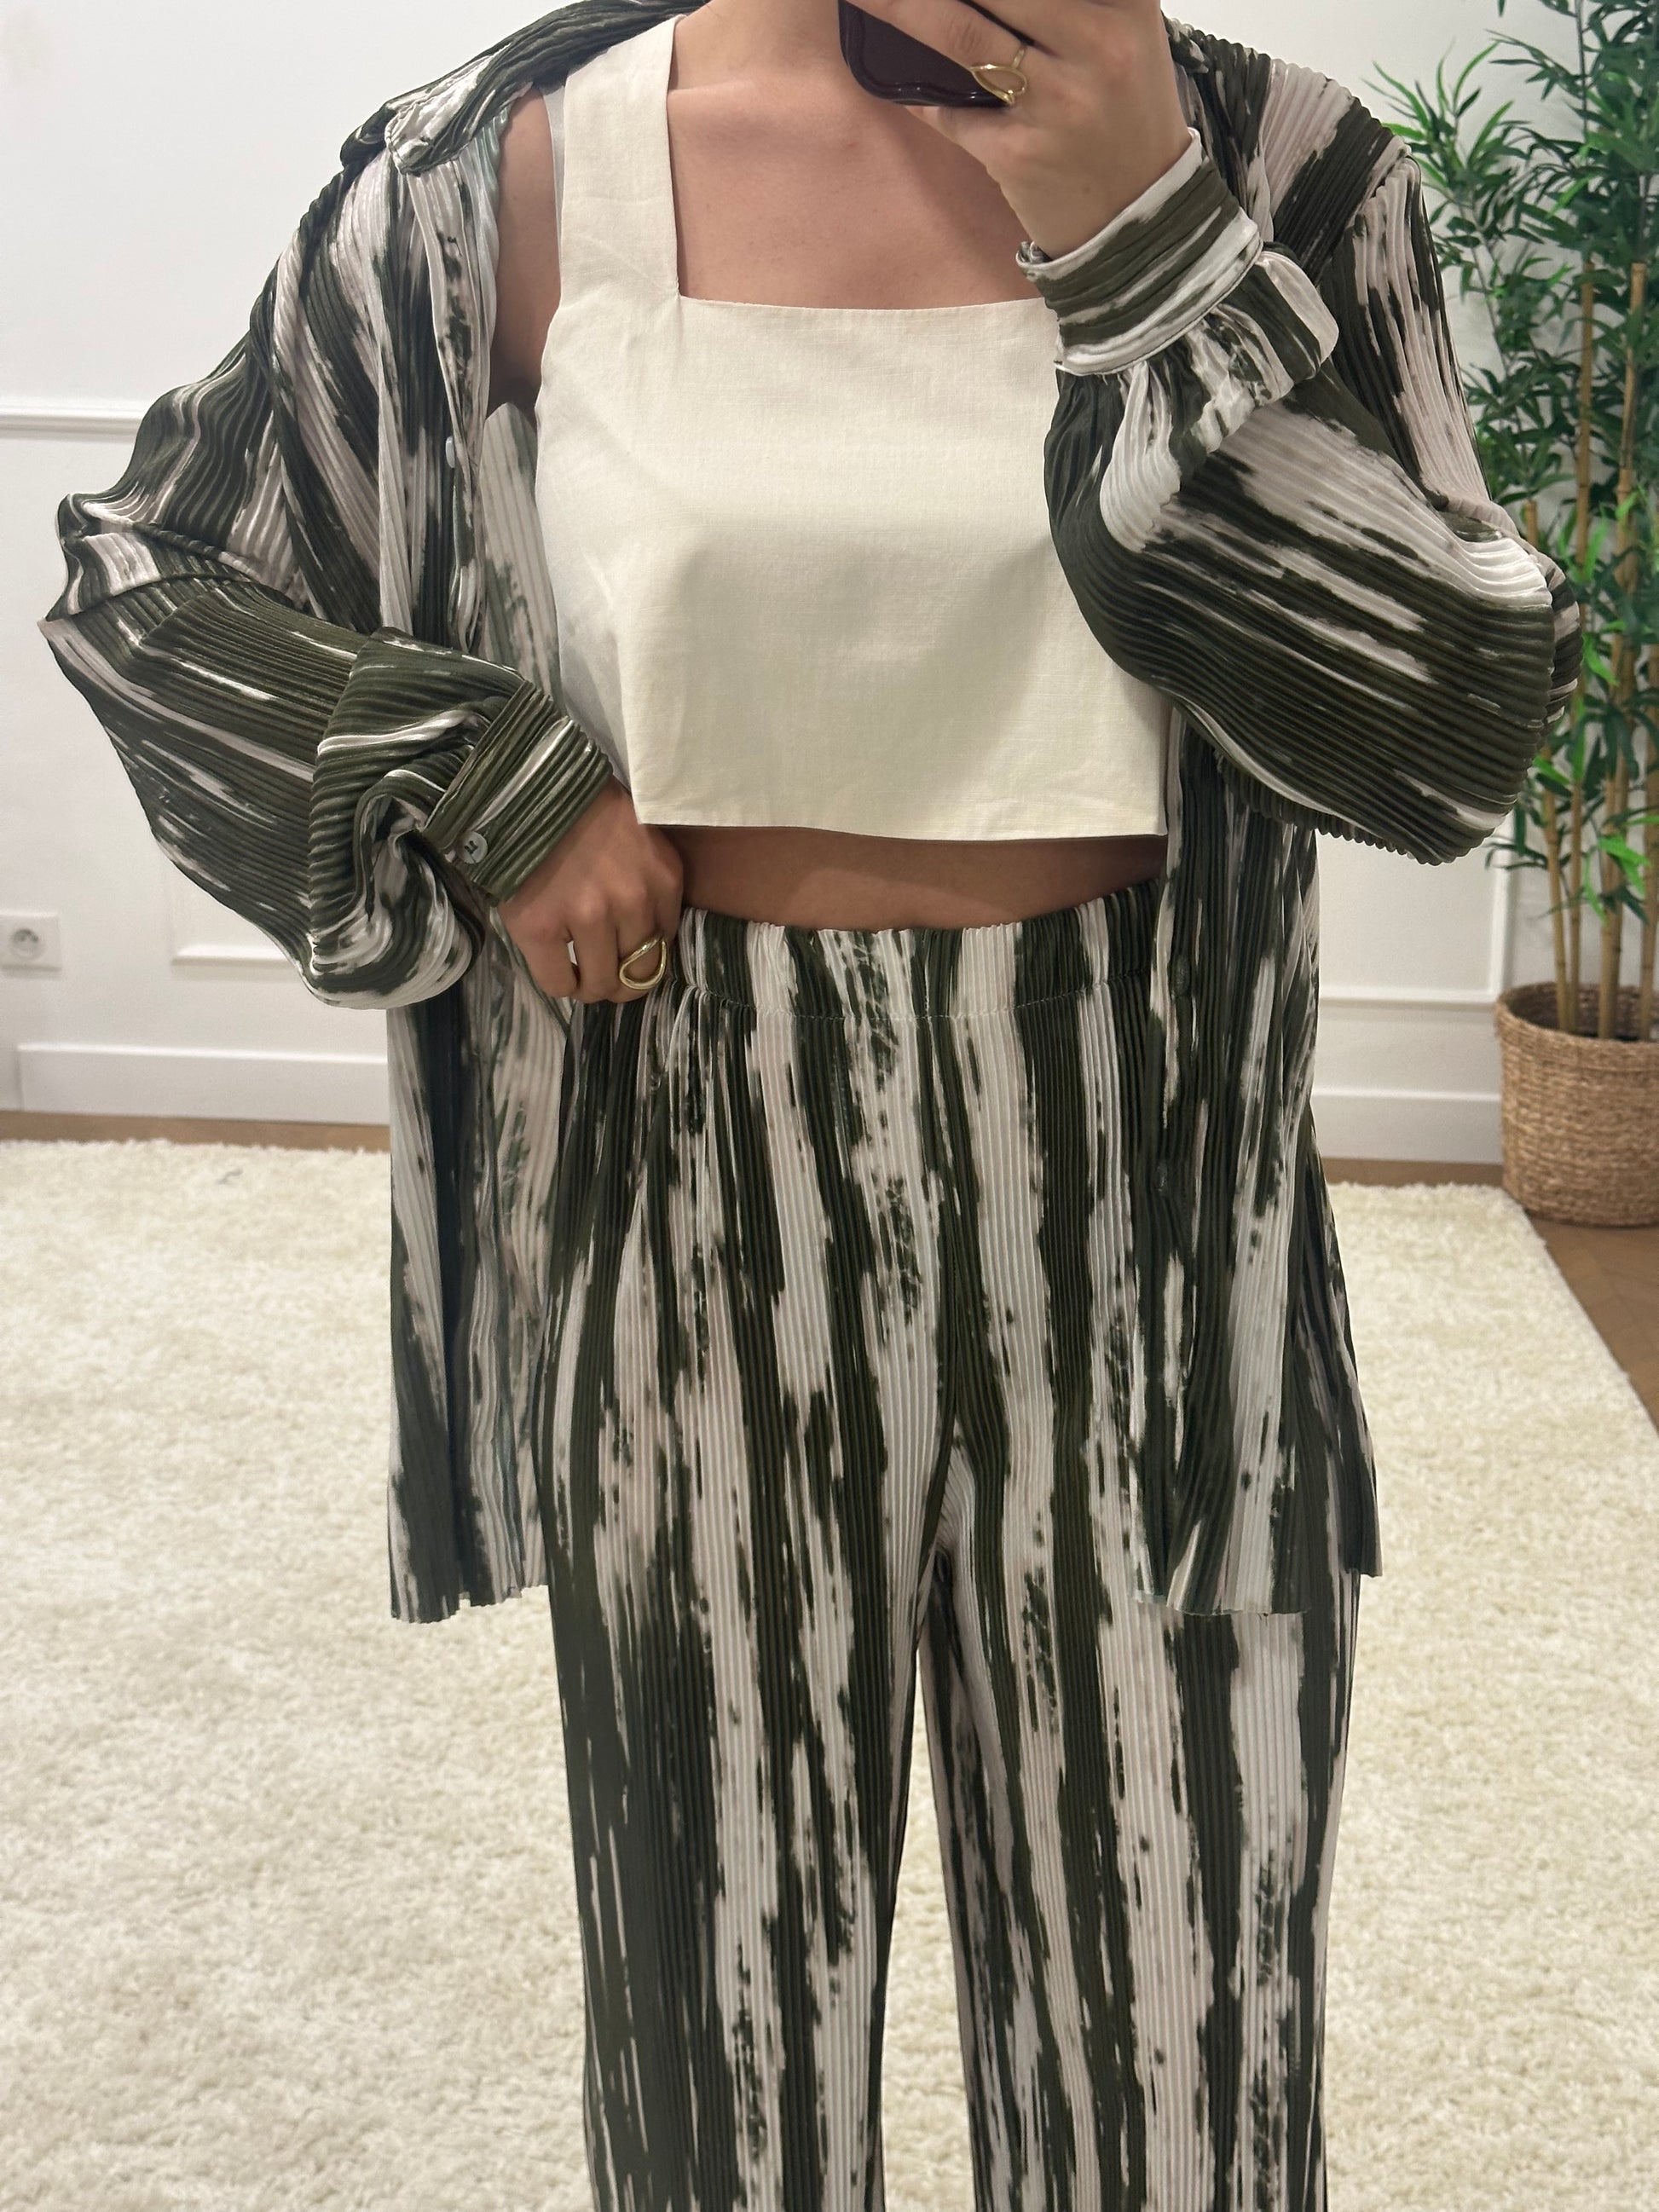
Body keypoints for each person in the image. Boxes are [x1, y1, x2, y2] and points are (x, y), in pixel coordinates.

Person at [41, 0, 1580, 2203]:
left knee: (1180, 2071)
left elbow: (1446, 740)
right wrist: (475, 773)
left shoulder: (1287, 168)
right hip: (693, 1218)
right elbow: (151, 581)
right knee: (719, 2078)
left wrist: (1144, 242)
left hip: (1155, 1252)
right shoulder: (499, 179)